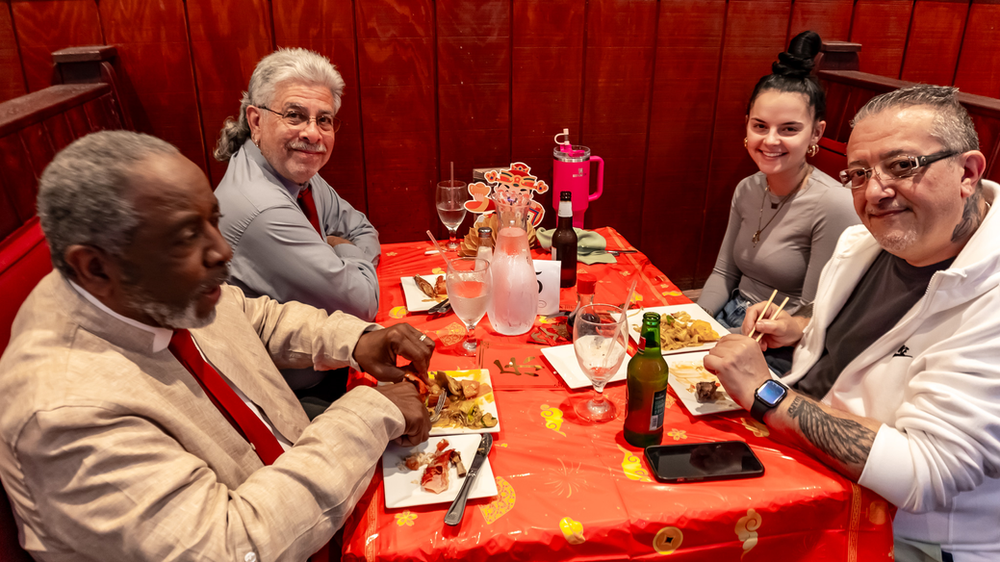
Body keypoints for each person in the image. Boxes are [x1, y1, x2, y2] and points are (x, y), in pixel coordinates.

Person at [0, 130, 433, 562]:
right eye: (187, 236)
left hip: (298, 477)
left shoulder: (146, 290)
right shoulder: (63, 417)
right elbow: (231, 547)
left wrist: (357, 340)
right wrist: (370, 412)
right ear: (95, 266)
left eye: (213, 220)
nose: (223, 250)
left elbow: (253, 317)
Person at [706, 85, 1000, 562]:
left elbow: (925, 472)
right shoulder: (865, 243)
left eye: (903, 165)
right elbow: (873, 336)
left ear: (967, 172)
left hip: (903, 535)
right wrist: (802, 326)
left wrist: (766, 393)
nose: (876, 191)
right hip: (803, 459)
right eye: (859, 174)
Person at [214, 48, 381, 404]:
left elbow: (363, 228)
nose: (312, 134)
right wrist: (343, 250)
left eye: (324, 120)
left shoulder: (291, 169)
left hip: (327, 365)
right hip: (289, 397)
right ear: (256, 121)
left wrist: (340, 252)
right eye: (294, 115)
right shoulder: (262, 206)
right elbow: (363, 303)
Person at [698, 30, 858, 345]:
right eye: (760, 126)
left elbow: (814, 313)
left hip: (782, 340)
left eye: (789, 129)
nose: (770, 141)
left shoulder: (834, 205)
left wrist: (733, 340)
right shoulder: (747, 188)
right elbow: (723, 274)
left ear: (816, 133)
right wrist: (694, 324)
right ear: (746, 125)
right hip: (728, 317)